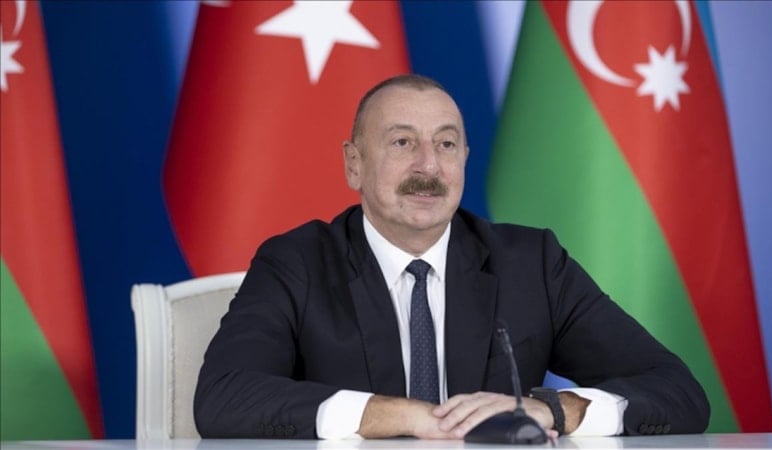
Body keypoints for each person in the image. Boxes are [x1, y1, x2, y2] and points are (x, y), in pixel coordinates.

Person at [194, 74, 710, 440]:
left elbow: (678, 391)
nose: (428, 166)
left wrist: (554, 410)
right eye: (402, 142)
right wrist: (402, 416)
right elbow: (223, 397)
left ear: (464, 159)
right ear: (354, 164)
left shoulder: (532, 263)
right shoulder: (297, 263)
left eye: (446, 144)